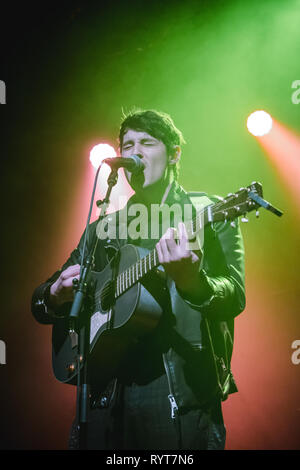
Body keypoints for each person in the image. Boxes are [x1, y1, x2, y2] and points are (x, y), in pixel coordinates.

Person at [31, 109, 245, 450]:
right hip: (106, 393)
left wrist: (193, 281)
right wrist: (55, 293)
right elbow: (41, 303)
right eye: (127, 144)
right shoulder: (104, 229)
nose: (135, 152)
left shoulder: (205, 211)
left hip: (178, 390)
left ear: (174, 153)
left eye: (147, 142)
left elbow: (234, 297)